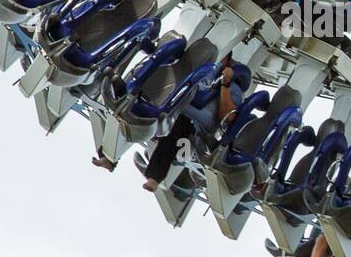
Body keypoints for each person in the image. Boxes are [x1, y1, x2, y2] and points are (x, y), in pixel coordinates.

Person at [92, 55, 245, 185]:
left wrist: (226, 83)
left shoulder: (233, 88)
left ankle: (154, 177)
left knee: (177, 125)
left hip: (193, 130)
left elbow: (229, 116)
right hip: (173, 111)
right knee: (140, 116)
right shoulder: (209, 76)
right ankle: (109, 156)